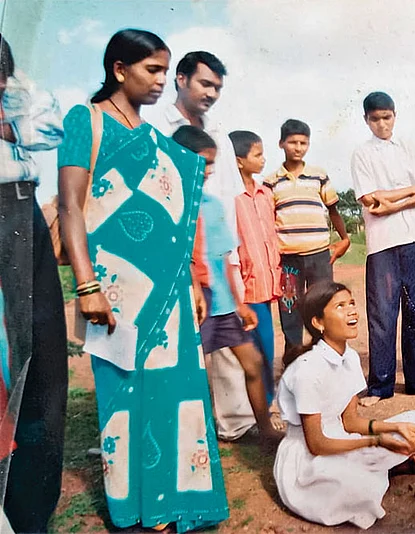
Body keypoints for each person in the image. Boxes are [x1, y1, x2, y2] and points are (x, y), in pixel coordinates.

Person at [58, 30, 228, 532]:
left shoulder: (158, 142)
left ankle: (175, 501)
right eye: (152, 70)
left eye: (164, 70)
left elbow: (174, 221)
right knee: (124, 396)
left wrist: (193, 285)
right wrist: (86, 286)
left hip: (169, 292)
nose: (160, 81)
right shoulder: (84, 121)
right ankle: (136, 505)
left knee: (175, 390)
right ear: (118, 68)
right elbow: (72, 205)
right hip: (114, 290)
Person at [147, 51, 257, 441]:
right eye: (205, 83)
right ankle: (175, 424)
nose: (211, 93)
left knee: (226, 337)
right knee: (177, 340)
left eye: (217, 88)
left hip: (216, 243)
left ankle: (235, 422)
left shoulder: (220, 135)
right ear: (181, 79)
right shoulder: (157, 124)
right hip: (176, 247)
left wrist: (234, 251)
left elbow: (228, 194)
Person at [273, 281, 415, 529]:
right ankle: (383, 469)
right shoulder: (307, 370)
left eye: (351, 303)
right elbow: (317, 444)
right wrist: (379, 441)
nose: (352, 311)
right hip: (309, 459)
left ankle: (384, 466)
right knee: (357, 487)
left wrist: (397, 428)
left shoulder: (350, 358)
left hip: (341, 438)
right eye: (340, 306)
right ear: (318, 323)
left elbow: (350, 422)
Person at [0, 33, 67, 533]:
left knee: (42, 370)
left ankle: (30, 516)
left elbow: (46, 128)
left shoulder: (15, 89)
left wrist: (8, 113)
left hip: (21, 210)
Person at [179, 126, 274, 439]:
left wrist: (239, 302)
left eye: (211, 164)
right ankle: (188, 439)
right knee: (184, 376)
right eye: (202, 163)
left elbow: (222, 259)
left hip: (220, 303)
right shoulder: (171, 206)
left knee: (254, 363)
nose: (208, 171)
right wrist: (194, 289)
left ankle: (263, 430)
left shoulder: (213, 206)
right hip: (190, 304)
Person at [350, 91, 415, 406]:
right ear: (366, 120)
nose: (381, 124)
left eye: (386, 117)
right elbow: (368, 199)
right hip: (381, 244)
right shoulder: (362, 154)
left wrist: (392, 202)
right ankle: (380, 386)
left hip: (414, 238)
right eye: (375, 119)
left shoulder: (410, 146)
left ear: (394, 115)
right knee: (382, 314)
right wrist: (408, 192)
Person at [263, 119, 350, 353]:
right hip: (288, 257)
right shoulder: (271, 181)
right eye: (292, 142)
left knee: (322, 303)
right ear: (281, 143)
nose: (298, 147)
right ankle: (292, 355)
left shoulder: (318, 176)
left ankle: (322, 352)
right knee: (289, 307)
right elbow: (267, 218)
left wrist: (345, 238)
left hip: (319, 254)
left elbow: (332, 209)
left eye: (303, 142)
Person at [229, 129, 283, 427]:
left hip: (267, 282)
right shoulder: (232, 198)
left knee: (266, 345)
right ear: (238, 161)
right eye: (257, 154)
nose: (263, 160)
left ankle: (266, 402)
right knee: (257, 350)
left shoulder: (265, 194)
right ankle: (263, 409)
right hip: (246, 287)